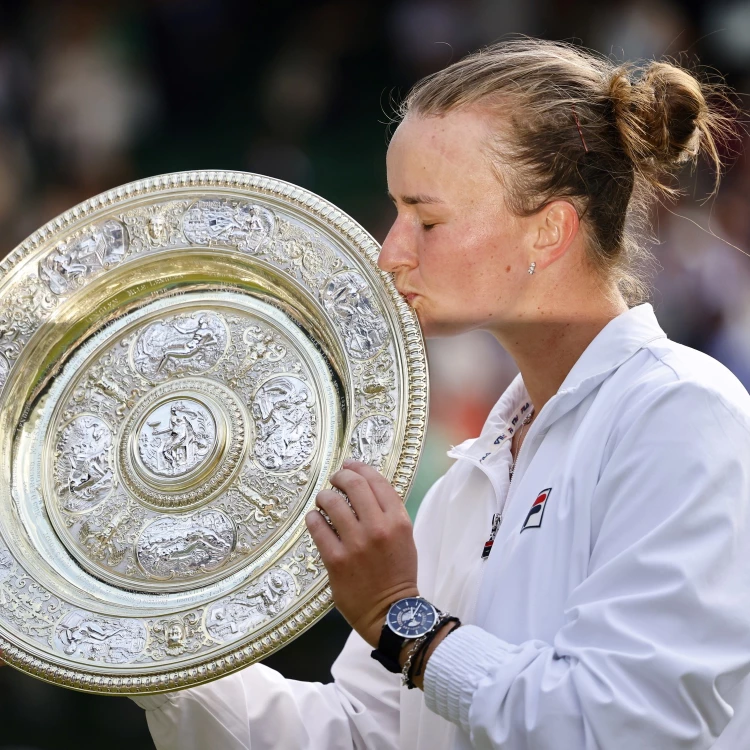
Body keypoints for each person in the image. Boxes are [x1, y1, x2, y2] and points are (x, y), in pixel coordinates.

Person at [133, 39, 750, 748]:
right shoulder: (471, 478)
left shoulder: (681, 414)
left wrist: (403, 621)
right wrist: (144, 643)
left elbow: (629, 725)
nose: (390, 251)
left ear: (549, 231)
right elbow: (367, 733)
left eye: (426, 220)